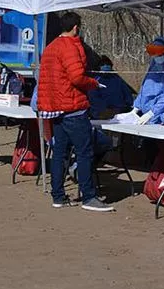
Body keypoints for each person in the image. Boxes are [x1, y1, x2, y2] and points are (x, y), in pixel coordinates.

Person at [36, 11, 114, 212]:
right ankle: (89, 197)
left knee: (59, 153)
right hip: (73, 108)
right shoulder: (71, 46)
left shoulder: (51, 47)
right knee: (84, 153)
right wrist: (94, 84)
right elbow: (77, 77)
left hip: (55, 110)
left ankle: (58, 196)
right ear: (76, 28)